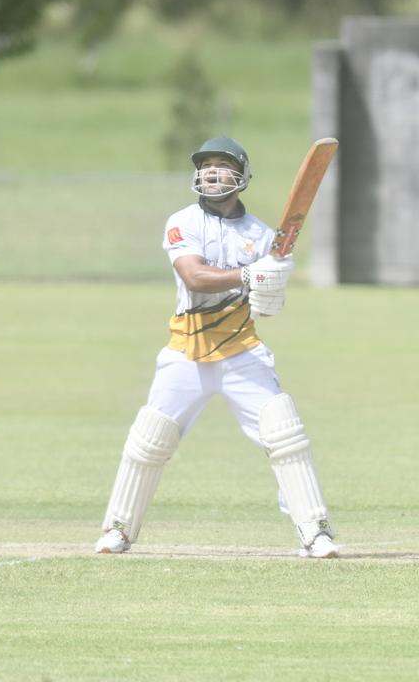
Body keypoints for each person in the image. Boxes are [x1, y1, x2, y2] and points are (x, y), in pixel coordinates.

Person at [95, 136, 339, 559]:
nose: (211, 172)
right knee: (149, 440)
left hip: (241, 350)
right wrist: (249, 274)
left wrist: (273, 277)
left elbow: (267, 309)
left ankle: (315, 533)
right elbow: (193, 276)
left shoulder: (262, 236)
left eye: (221, 166)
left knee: (285, 433)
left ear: (241, 177)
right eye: (205, 166)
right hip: (185, 351)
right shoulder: (182, 222)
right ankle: (117, 529)